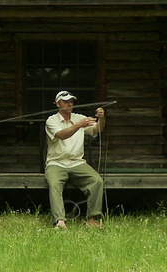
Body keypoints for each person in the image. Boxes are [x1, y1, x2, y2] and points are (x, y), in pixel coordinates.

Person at [44, 90, 106, 229]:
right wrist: (79, 125)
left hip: (77, 162)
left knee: (97, 181)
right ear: (58, 103)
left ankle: (92, 219)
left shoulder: (80, 118)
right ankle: (60, 221)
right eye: (66, 101)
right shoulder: (51, 120)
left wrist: (101, 118)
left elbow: (97, 129)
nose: (69, 103)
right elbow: (61, 135)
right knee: (54, 184)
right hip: (56, 163)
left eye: (71, 101)